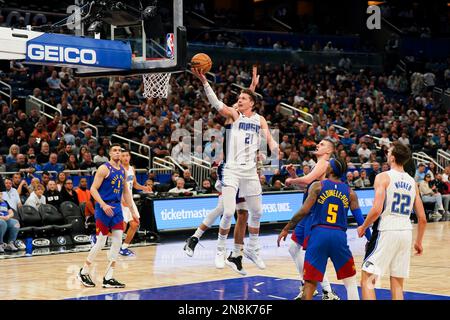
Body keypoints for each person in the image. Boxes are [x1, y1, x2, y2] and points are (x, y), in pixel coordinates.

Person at [191, 65, 278, 275]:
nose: (239, 100)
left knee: (256, 211)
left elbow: (268, 139)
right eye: (238, 98)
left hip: (250, 172)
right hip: (231, 169)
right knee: (228, 210)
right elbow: (217, 103)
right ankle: (220, 249)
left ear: (253, 104)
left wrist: (273, 148)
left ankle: (252, 249)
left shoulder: (260, 120)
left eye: (243, 99)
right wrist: (204, 81)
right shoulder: (234, 116)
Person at [278, 158, 370, 300]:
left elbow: (303, 211)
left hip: (318, 235)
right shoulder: (350, 192)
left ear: (331, 170)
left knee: (309, 283)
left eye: (328, 166)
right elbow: (361, 222)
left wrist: (286, 228)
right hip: (338, 236)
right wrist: (370, 239)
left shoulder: (317, 186)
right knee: (350, 281)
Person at [357, 142, 427, 300]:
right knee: (397, 284)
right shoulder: (412, 182)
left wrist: (363, 227)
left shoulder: (383, 177)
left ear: (393, 157)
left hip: (386, 230)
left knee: (368, 280)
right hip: (405, 233)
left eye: (388, 152)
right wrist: (419, 242)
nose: (387, 154)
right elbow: (422, 218)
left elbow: (376, 210)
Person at [283, 139, 340, 300]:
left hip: (314, 212)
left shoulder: (324, 162)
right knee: (293, 248)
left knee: (312, 255)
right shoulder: (318, 165)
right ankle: (308, 285)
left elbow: (307, 181)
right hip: (307, 213)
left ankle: (327, 291)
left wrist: (292, 180)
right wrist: (294, 176)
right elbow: (307, 186)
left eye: (322, 145)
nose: (317, 145)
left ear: (328, 151)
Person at [78, 144, 138, 288]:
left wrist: (133, 211)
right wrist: (103, 205)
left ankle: (109, 277)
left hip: (117, 207)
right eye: (115, 151)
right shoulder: (104, 168)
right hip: (103, 207)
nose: (118, 153)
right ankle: (84, 271)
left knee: (117, 241)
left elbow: (126, 193)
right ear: (110, 154)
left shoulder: (123, 171)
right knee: (101, 242)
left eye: (120, 151)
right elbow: (92, 189)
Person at [119, 149, 152, 257]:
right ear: (120, 158)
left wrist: (144, 188)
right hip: (121, 200)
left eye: (127, 155)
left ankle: (124, 248)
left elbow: (135, 184)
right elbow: (117, 186)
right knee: (122, 228)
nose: (125, 157)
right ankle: (99, 235)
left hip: (130, 200)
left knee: (134, 224)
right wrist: (121, 199)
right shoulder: (118, 169)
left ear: (130, 157)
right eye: (123, 156)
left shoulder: (132, 169)